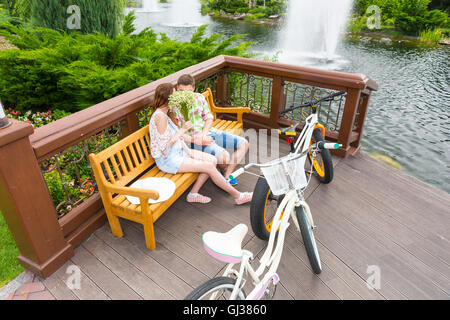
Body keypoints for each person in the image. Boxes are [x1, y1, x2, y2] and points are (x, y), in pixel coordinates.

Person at [149, 83, 252, 205]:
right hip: (169, 159)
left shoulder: (165, 114)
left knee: (213, 160)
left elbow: (178, 136)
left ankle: (193, 194)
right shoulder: (160, 117)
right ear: (167, 97)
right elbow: (164, 148)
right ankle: (238, 196)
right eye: (174, 94)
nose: (177, 96)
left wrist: (194, 142)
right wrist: (183, 129)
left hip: (181, 152)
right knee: (208, 166)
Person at [173, 74, 250, 186]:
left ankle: (227, 175)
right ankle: (223, 170)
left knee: (244, 143)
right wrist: (196, 139)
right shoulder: (173, 105)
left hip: (209, 132)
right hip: (192, 140)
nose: (184, 94)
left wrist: (203, 134)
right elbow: (174, 131)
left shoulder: (199, 97)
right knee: (224, 158)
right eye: (181, 91)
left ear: (193, 89)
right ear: (177, 88)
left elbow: (209, 117)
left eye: (188, 91)